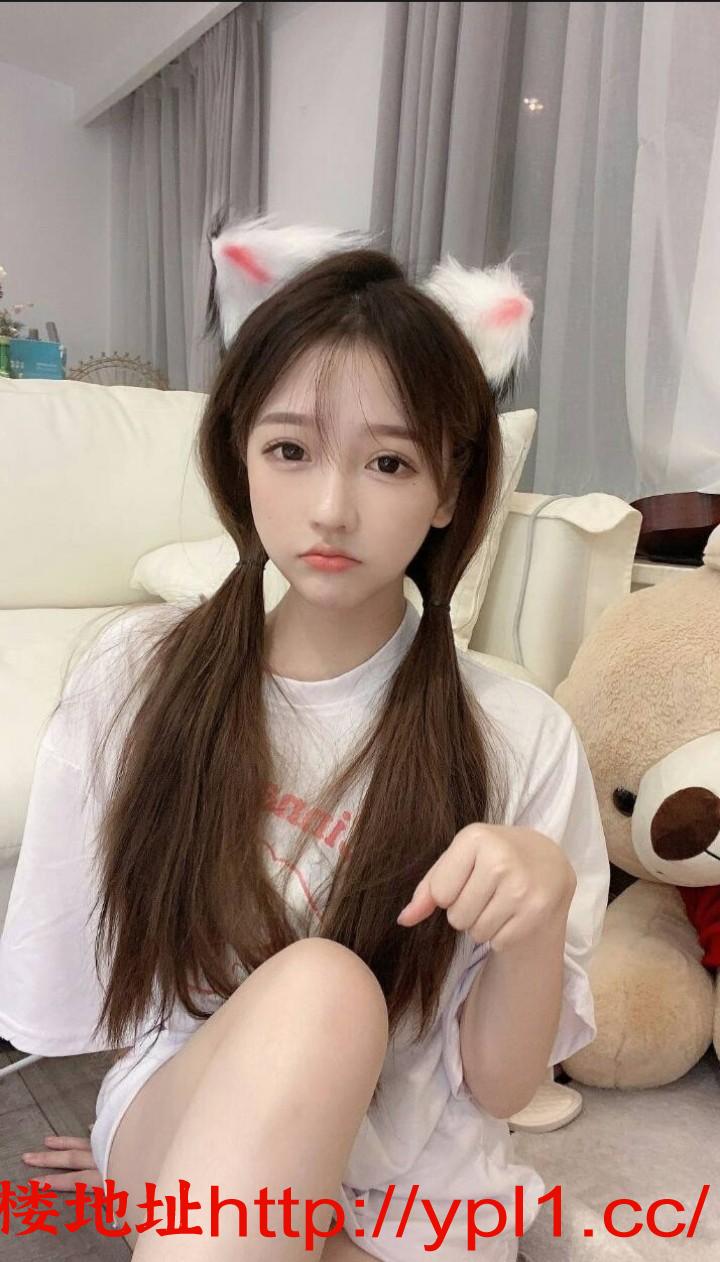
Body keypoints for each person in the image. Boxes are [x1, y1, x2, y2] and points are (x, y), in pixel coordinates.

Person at [2, 246, 610, 1261]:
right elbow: (92, 982)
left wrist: (537, 917)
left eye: (388, 462)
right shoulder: (136, 675)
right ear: (239, 456)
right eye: (289, 449)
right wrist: (165, 1144)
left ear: (450, 490)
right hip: (196, 1105)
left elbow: (504, 1088)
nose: (331, 508)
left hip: (415, 1180)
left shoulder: (520, 734)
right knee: (323, 988)